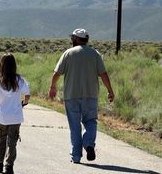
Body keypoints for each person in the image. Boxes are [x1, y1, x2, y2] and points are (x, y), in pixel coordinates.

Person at [48, 28, 115, 164]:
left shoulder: (68, 53)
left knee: (75, 126)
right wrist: (110, 90)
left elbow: (57, 73)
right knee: (90, 122)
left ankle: (76, 156)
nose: (72, 40)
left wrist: (53, 87)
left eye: (73, 38)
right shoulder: (95, 54)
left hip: (71, 95)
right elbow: (103, 74)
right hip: (91, 95)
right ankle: (89, 143)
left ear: (76, 39)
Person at [0, 54, 30, 174]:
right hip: (16, 117)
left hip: (3, 117)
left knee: (1, 140)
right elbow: (27, 95)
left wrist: (1, 105)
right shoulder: (19, 80)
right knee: (12, 142)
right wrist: (23, 103)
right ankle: (9, 166)